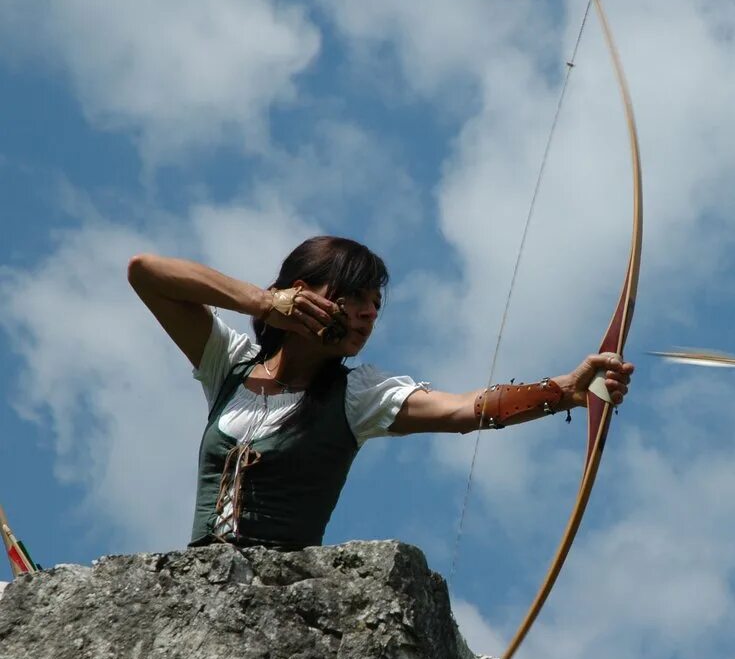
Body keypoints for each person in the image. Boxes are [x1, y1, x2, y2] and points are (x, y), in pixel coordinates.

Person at [127, 235, 634, 552]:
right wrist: (262, 301)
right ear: (300, 290)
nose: (369, 313)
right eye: (352, 297)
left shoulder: (356, 394)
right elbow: (146, 273)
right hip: (193, 590)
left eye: (375, 303)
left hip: (275, 606)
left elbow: (462, 410)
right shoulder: (230, 364)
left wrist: (566, 390)